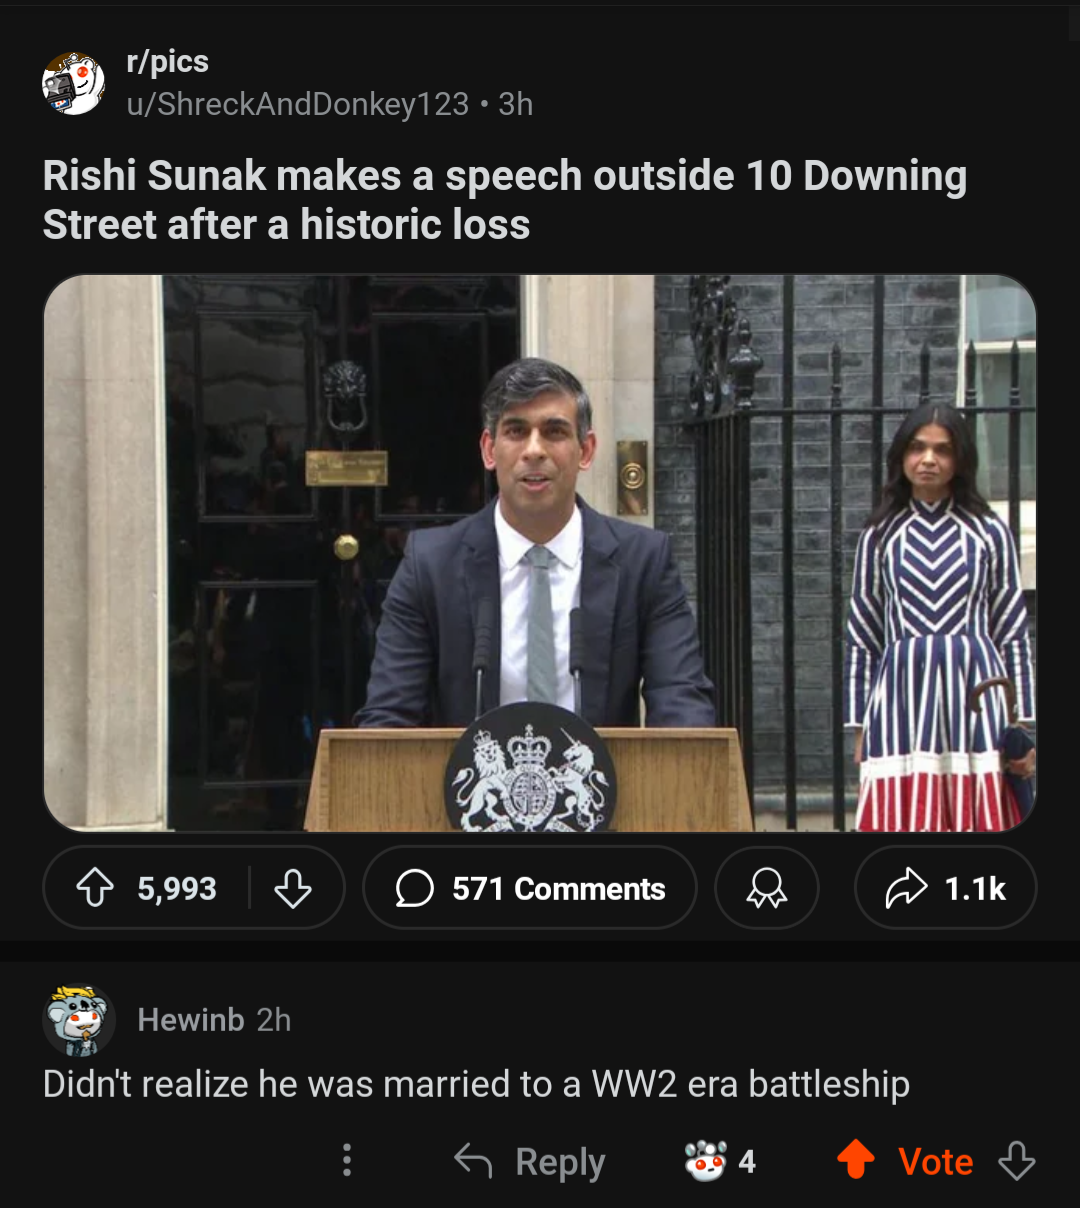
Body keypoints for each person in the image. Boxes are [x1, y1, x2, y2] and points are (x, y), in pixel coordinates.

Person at [356, 356, 716, 727]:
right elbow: (388, 717)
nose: (534, 450)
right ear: (488, 450)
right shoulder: (429, 566)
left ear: (586, 450)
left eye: (554, 431)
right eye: (515, 431)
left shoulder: (644, 561)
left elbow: (682, 704)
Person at [845, 402, 1035, 831]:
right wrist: (859, 727)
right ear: (901, 456)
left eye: (942, 450)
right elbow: (862, 631)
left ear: (960, 459)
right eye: (917, 448)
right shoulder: (879, 535)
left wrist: (1021, 723)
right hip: (900, 696)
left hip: (977, 694)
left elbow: (1011, 628)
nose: (928, 459)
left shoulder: (989, 531)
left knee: (979, 812)